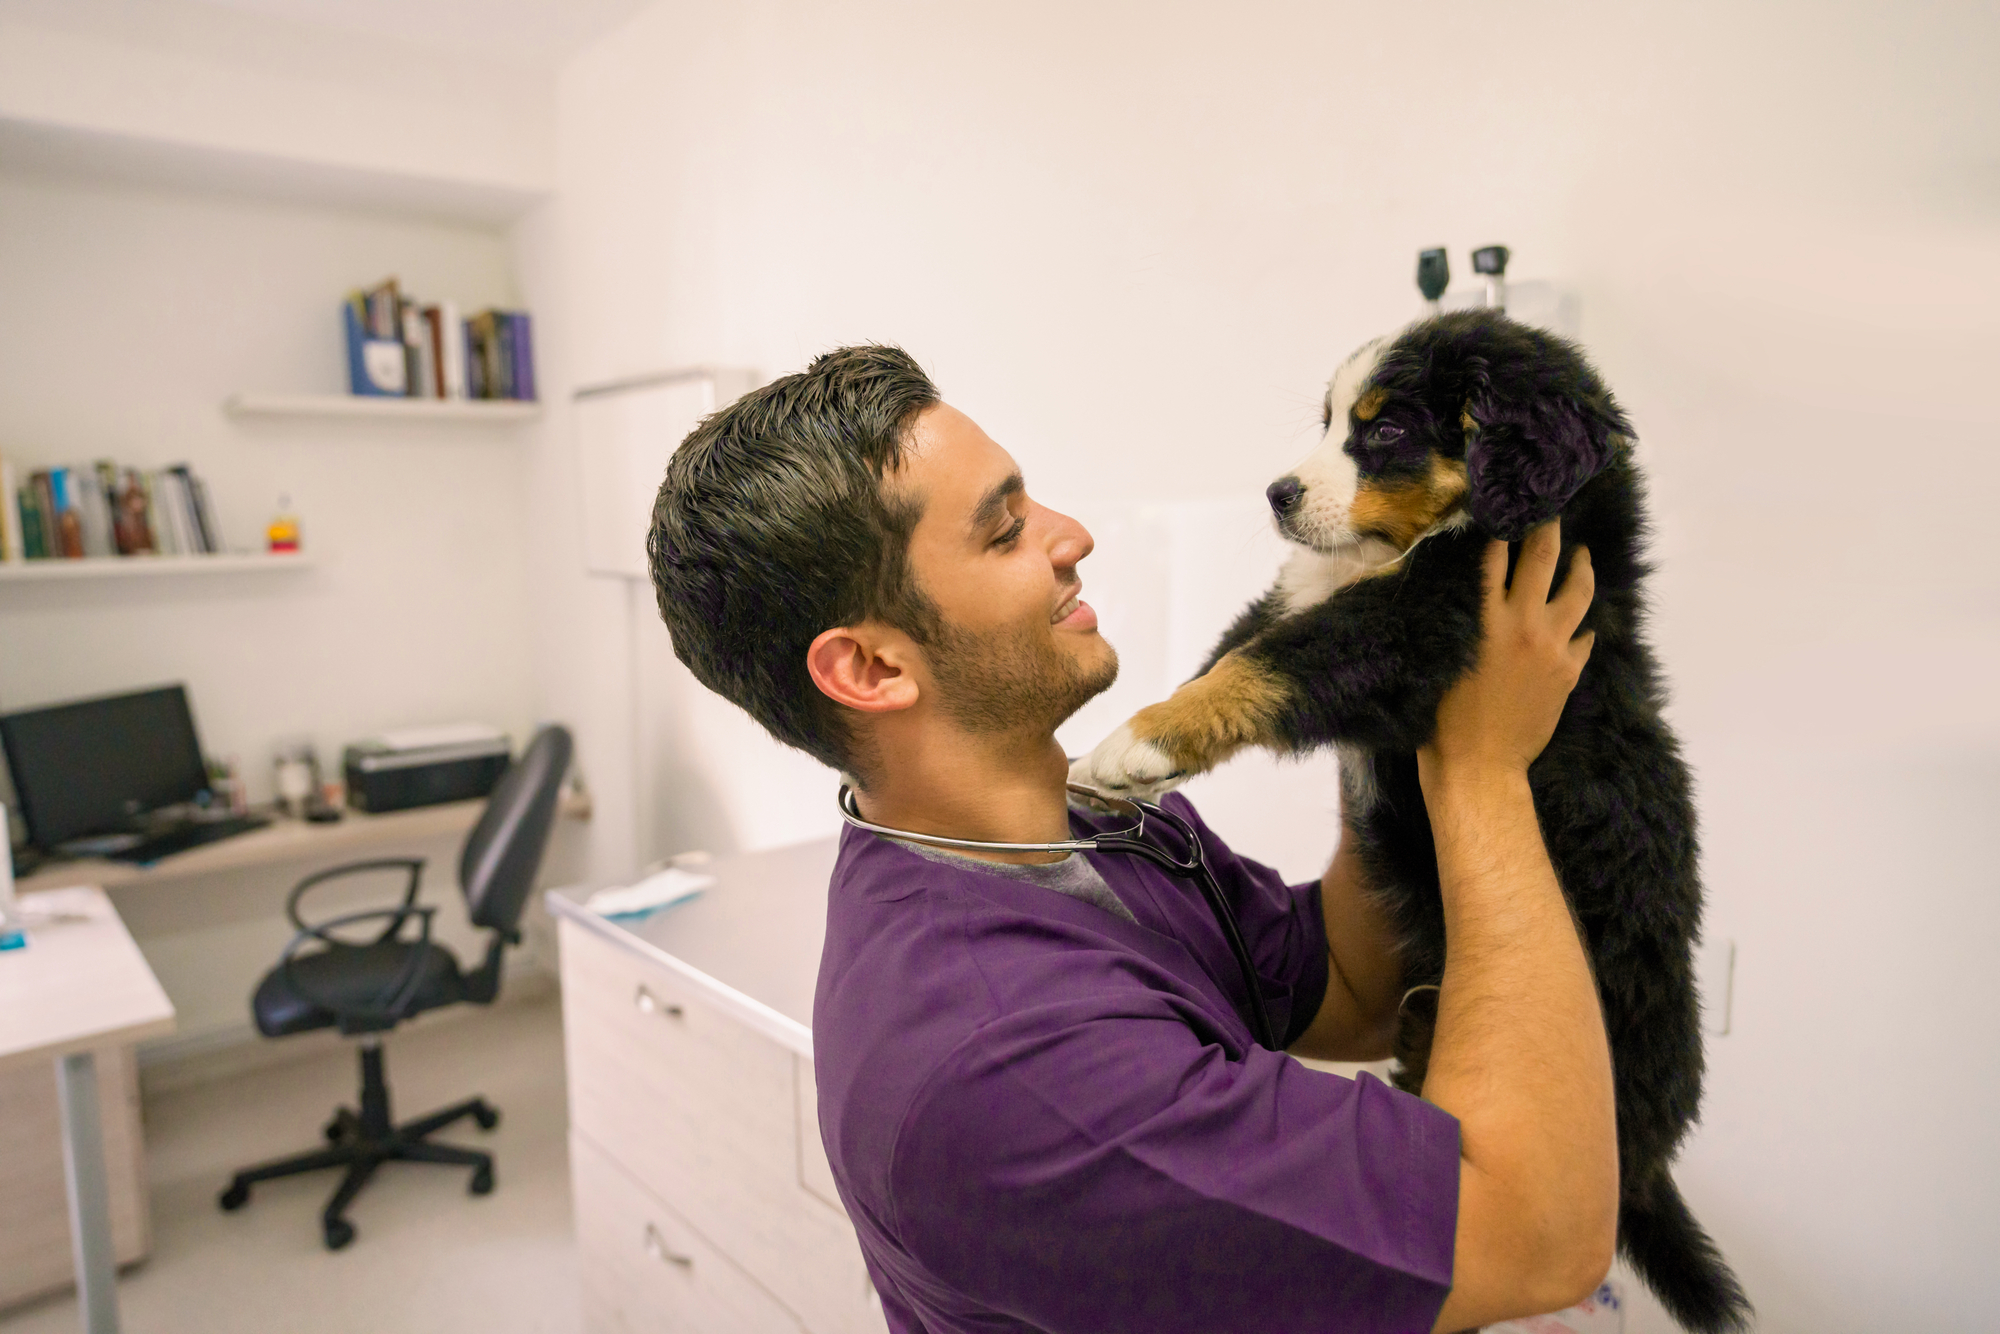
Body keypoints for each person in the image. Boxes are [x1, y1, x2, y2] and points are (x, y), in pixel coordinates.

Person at [647, 345, 1617, 1333]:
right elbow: (1540, 1236)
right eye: (1003, 531)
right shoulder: (1015, 1072)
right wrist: (1479, 770)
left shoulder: (1089, 832)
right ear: (869, 666)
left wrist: (1380, 684)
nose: (1072, 537)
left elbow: (1354, 990)